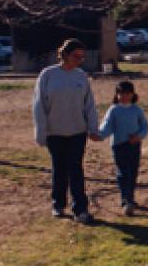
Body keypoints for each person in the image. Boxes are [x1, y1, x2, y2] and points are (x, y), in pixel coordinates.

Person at [32, 39, 101, 224]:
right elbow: (39, 106)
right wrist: (41, 132)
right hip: (55, 133)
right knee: (59, 169)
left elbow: (89, 106)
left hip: (77, 132)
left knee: (76, 170)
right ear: (65, 55)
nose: (79, 60)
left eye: (82, 56)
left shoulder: (81, 77)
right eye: (76, 56)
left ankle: (81, 209)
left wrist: (93, 128)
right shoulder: (48, 75)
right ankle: (58, 203)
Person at [97, 80, 148, 216]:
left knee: (133, 172)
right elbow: (107, 126)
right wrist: (99, 135)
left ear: (133, 94)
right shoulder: (114, 110)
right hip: (119, 145)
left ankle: (130, 198)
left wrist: (139, 136)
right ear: (117, 95)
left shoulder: (136, 110)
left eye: (127, 93)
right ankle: (125, 199)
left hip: (134, 145)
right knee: (123, 172)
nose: (124, 96)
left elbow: (145, 126)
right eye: (121, 94)